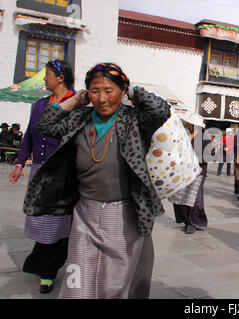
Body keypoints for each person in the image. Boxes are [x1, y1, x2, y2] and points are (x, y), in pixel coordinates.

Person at [23, 62, 171, 298]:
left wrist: (132, 91)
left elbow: (160, 110)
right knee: (77, 279)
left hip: (124, 215)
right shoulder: (81, 117)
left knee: (114, 285)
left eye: (109, 90)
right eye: (94, 90)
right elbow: (46, 125)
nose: (102, 98)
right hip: (85, 213)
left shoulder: (133, 120)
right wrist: (74, 101)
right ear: (87, 93)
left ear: (121, 91)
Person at [9, 60, 75, 294]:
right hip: (39, 170)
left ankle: (48, 271)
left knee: (57, 223)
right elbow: (29, 135)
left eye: (47, 74)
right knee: (40, 220)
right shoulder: (39, 105)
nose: (44, 78)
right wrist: (19, 163)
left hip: (64, 173)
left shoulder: (78, 102)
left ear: (60, 77)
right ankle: (45, 263)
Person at [169, 114, 209, 234]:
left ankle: (194, 222)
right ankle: (186, 221)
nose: (189, 125)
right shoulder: (183, 135)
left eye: (192, 123)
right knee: (181, 197)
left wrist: (196, 157)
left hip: (198, 173)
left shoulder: (205, 138)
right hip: (182, 171)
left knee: (194, 199)